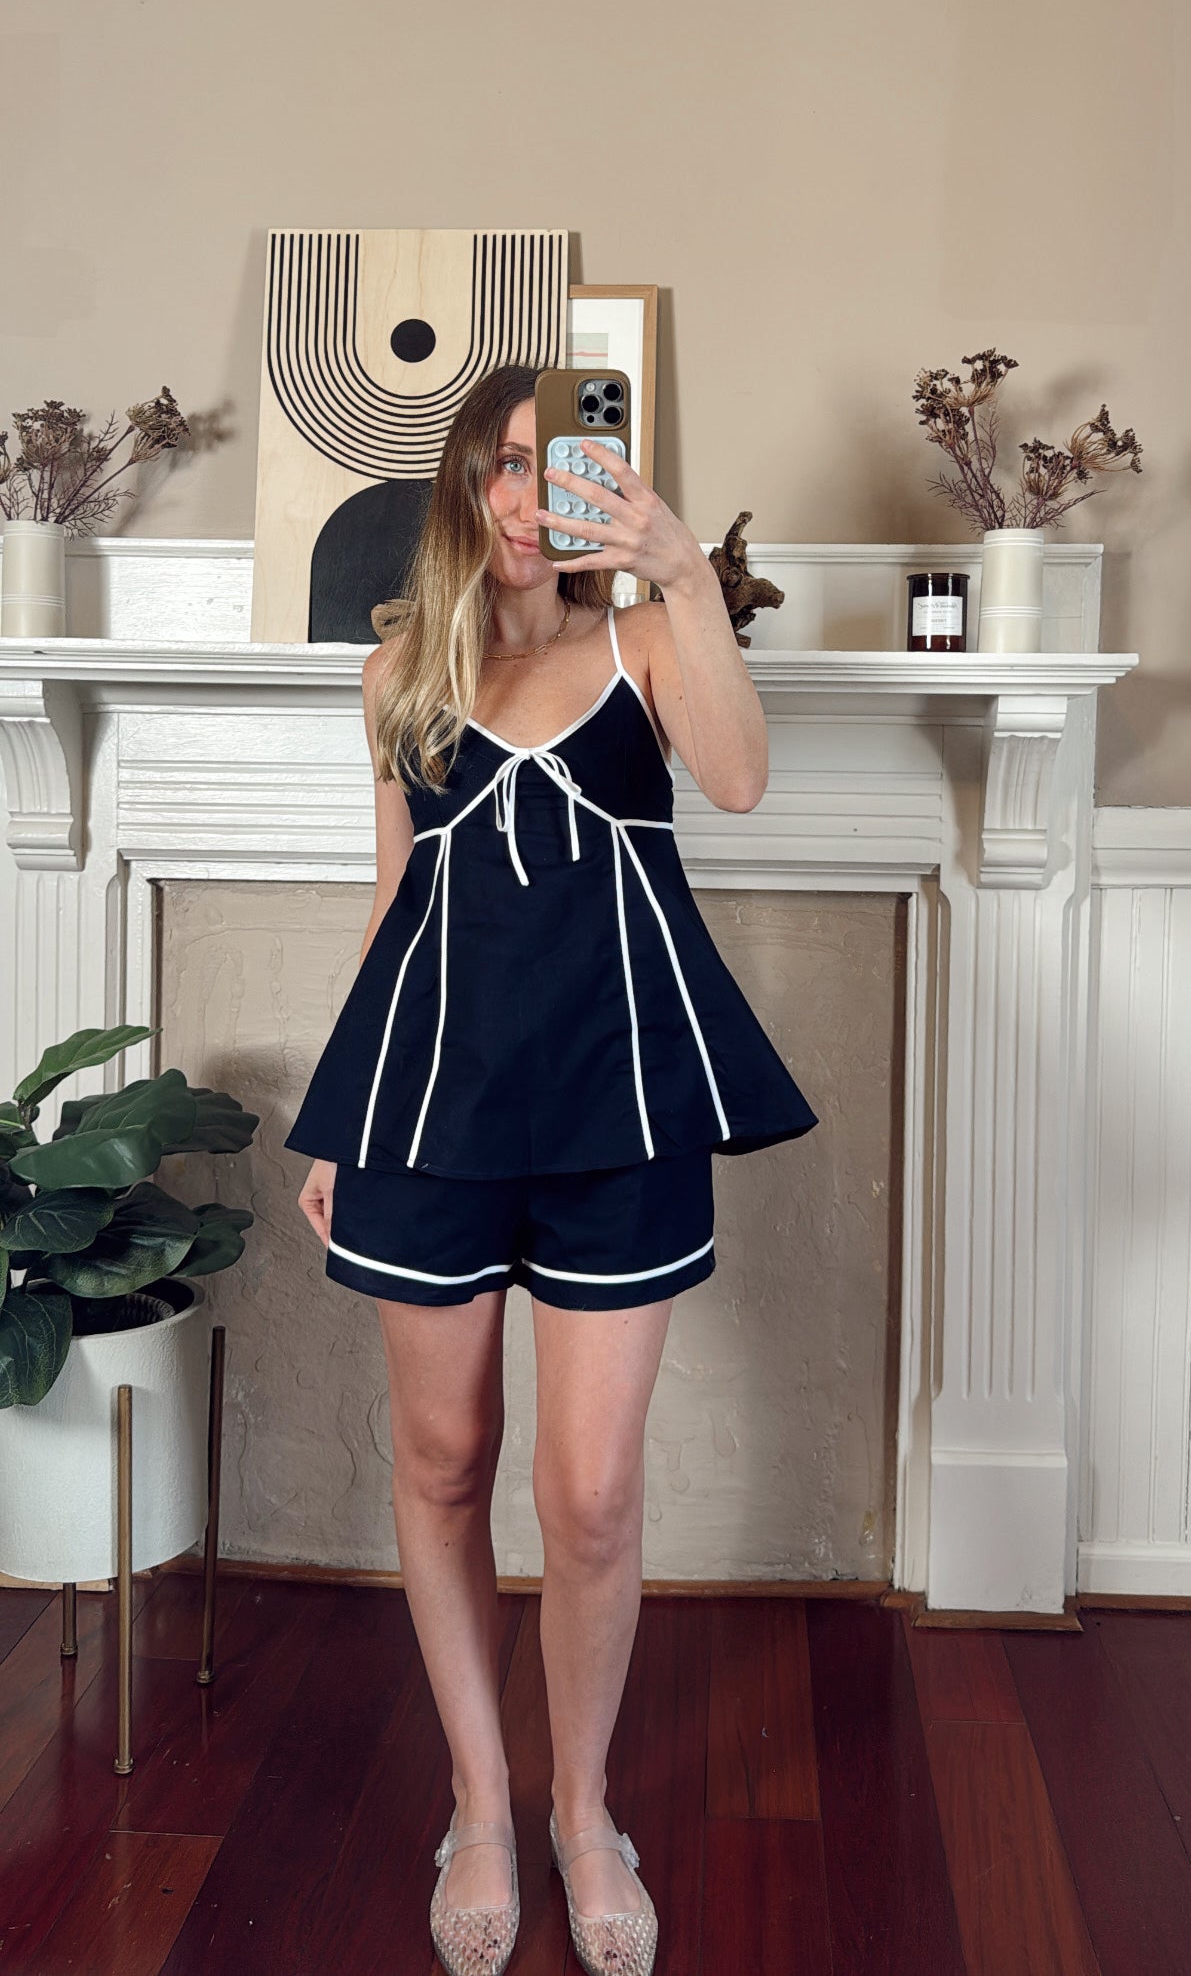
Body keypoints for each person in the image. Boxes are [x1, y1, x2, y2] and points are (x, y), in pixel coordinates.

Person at [286, 363, 818, 1976]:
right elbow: (394, 904)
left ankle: (585, 1810)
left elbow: (740, 778)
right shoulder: (399, 671)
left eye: (561, 464)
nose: (530, 498)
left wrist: (678, 568)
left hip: (622, 1111)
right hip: (425, 1116)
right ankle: (479, 1803)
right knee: (444, 1459)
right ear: (467, 482)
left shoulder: (646, 640)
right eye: (505, 466)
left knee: (587, 1495)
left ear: (608, 479)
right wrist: (342, 1117)